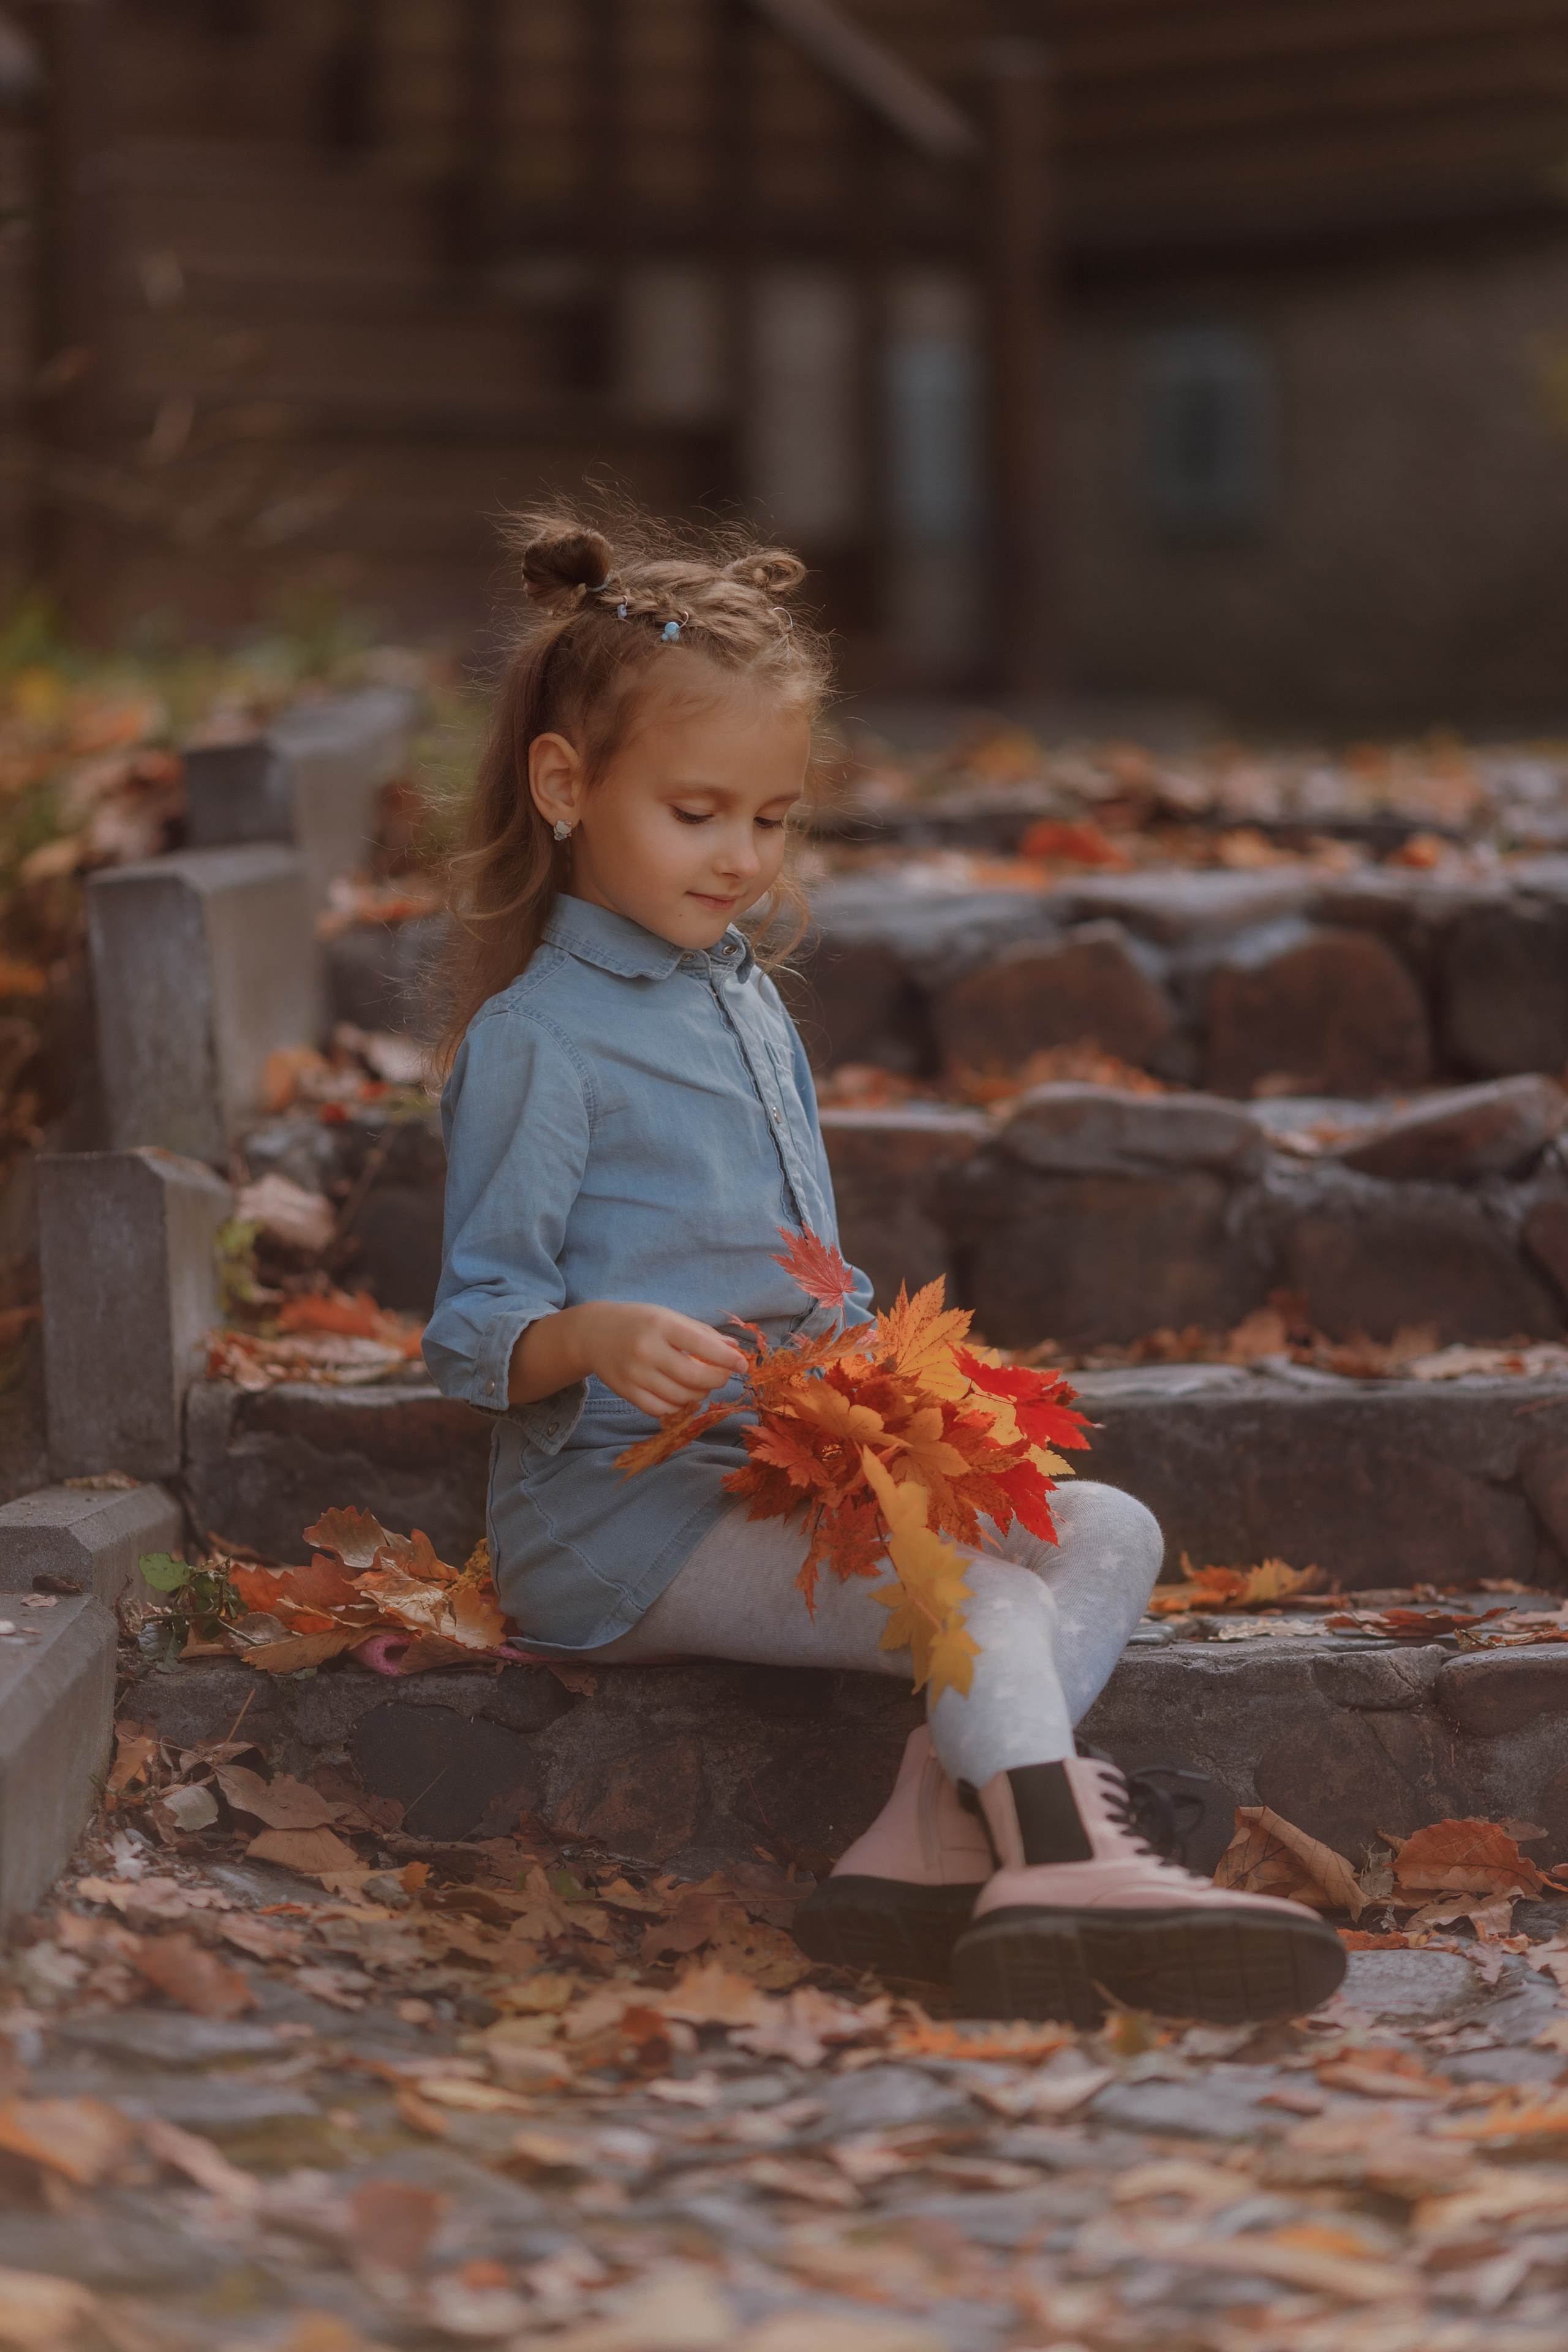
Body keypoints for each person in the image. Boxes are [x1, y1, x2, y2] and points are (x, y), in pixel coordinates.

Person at [423, 504, 1345, 2026]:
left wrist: (888, 1390)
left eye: (771, 819)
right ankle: (1049, 1853)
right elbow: (471, 1331)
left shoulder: (746, 1001)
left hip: (780, 1470)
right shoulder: (541, 1041)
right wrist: (589, 1336)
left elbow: (807, 1269)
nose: (739, 856)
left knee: (1104, 1525)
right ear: (565, 784)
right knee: (965, 1590)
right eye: (698, 811)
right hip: (621, 1523)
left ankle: (931, 1827)